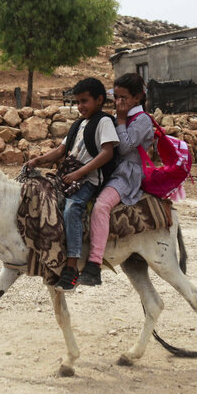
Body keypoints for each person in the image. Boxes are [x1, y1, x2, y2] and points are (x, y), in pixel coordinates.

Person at [24, 78, 118, 291]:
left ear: (99, 100)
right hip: (70, 175)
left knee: (72, 208)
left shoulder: (104, 122)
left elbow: (107, 152)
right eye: (77, 102)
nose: (80, 106)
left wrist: (80, 173)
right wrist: (37, 161)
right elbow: (60, 151)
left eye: (84, 101)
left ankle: (72, 265)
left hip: (88, 179)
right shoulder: (78, 124)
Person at [78, 73, 155, 286]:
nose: (119, 102)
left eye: (124, 98)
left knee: (101, 206)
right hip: (111, 169)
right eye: (117, 97)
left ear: (137, 97)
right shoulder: (123, 116)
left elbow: (125, 146)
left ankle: (94, 264)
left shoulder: (142, 120)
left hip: (127, 174)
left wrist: (120, 120)